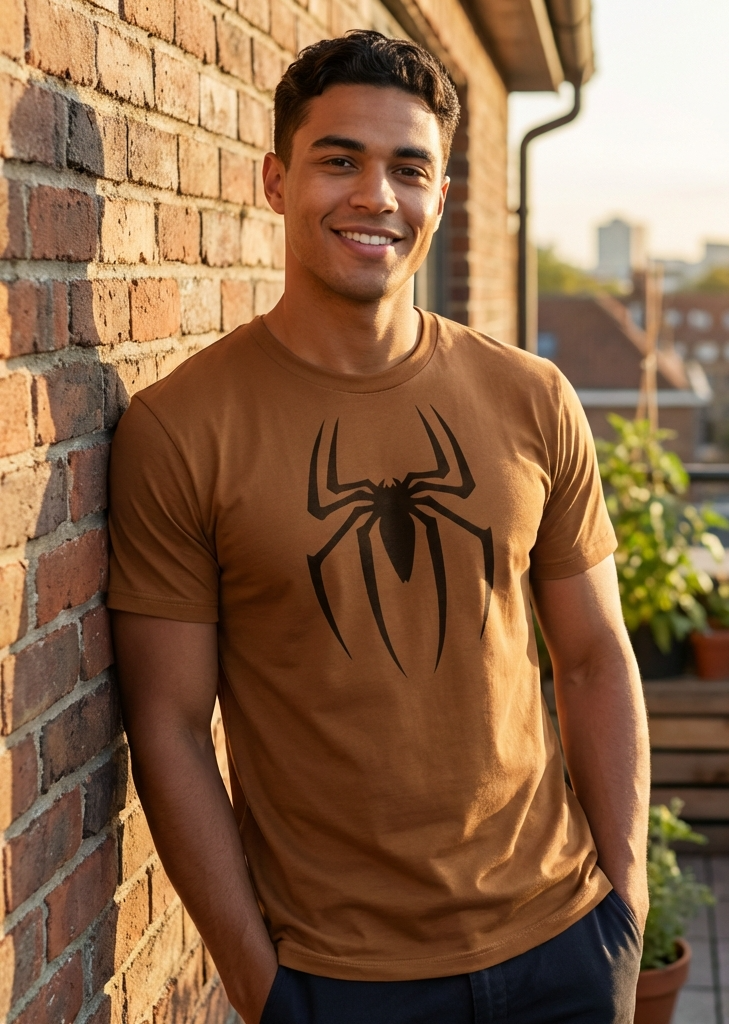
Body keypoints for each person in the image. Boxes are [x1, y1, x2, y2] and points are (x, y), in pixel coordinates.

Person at [108, 31, 649, 1024]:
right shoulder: (181, 428)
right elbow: (171, 726)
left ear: (441, 195)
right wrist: (262, 985)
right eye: (339, 160)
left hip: (560, 944)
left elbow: (592, 658)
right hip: (338, 980)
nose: (375, 196)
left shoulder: (532, 398)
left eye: (409, 168)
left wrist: (623, 904)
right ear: (276, 180)